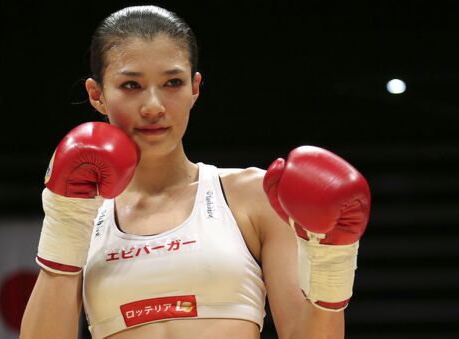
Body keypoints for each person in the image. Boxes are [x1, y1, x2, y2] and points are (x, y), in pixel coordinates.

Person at [20, 5, 370, 339]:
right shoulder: (81, 212)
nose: (154, 106)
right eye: (131, 85)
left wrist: (332, 262)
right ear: (97, 95)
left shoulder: (251, 197)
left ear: (195, 88)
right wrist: (64, 227)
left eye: (172, 82)